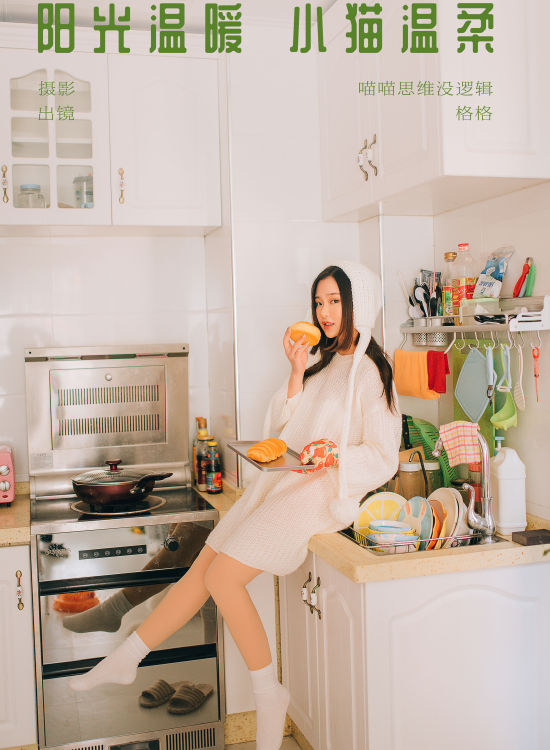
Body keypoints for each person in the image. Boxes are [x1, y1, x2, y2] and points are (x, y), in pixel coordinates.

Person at [68, 260, 402, 750]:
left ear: (359, 305)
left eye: (335, 301)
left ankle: (269, 696)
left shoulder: (371, 373)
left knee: (222, 577)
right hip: (283, 485)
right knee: (203, 569)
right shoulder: (325, 363)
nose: (324, 312)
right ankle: (127, 657)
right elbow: (285, 428)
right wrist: (295, 369)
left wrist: (336, 458)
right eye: (319, 302)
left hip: (321, 496)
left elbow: (383, 455)